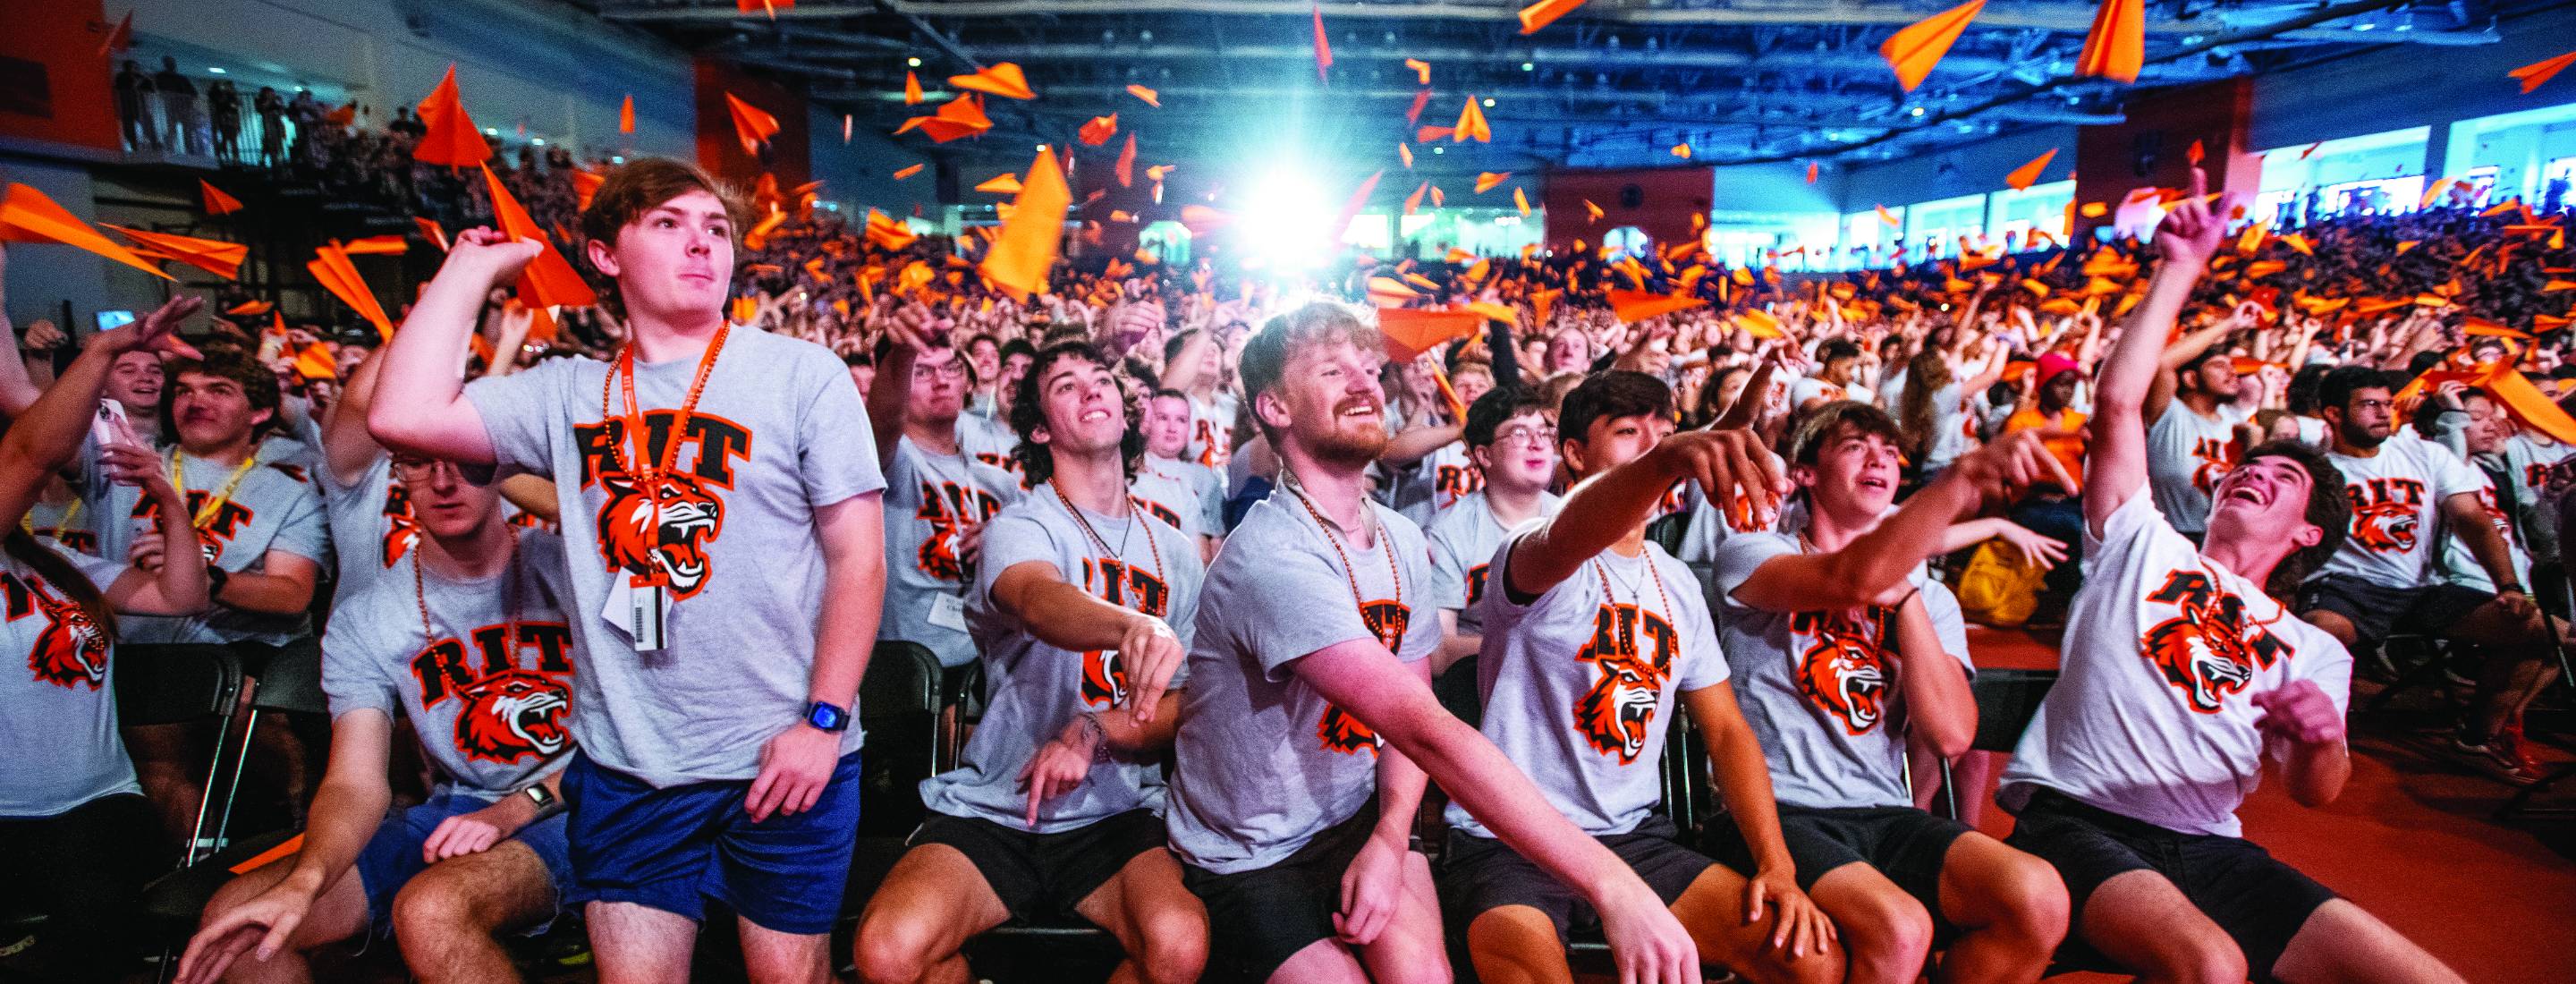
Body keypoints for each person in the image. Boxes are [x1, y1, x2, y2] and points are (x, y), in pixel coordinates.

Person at [369, 157, 891, 984]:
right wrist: (465, 271)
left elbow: (858, 555)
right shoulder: (564, 394)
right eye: (669, 225)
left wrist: (823, 724)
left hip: (783, 755)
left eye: (716, 230)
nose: (702, 245)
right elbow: (401, 415)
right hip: (628, 763)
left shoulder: (801, 374)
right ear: (606, 255)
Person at [1166, 301, 1731, 984]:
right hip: (1249, 852)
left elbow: (1410, 703)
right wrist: (1613, 885)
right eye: (1332, 370)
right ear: (1275, 408)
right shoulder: (1270, 558)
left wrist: (1388, 833)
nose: (1364, 384)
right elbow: (1427, 730)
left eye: (1368, 369)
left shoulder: (1402, 538)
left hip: (1350, 817)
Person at [2001, 169, 2465, 984]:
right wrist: (2179, 268)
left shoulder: (2312, 649)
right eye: (2249, 469)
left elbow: (2316, 792)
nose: (2255, 475)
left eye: (2283, 480)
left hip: (2211, 845)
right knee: (2210, 965)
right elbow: (2117, 404)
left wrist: (2319, 738)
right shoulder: (2139, 542)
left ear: (2310, 532)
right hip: (2074, 822)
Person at [1441, 370, 1843, 984]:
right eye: (1630, 432)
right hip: (1508, 840)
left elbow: (1728, 731)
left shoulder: (1675, 580)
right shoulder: (1533, 549)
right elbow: (1573, 530)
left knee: (1810, 961)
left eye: (1665, 431)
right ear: (1573, 453)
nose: (1654, 445)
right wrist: (1668, 460)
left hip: (1631, 836)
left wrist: (1776, 863)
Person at [853, 340, 1208, 984]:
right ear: (1041, 429)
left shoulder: (1177, 552)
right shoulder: (1021, 525)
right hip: (1002, 804)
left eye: (1102, 379)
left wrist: (1097, 728)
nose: (1093, 390)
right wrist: (1132, 623)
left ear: (1128, 414)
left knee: (1179, 945)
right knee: (886, 951)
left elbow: (1185, 704)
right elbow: (1040, 601)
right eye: (1067, 385)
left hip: (1116, 810)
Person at [179, 454, 578, 984]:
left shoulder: (576, 569)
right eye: (419, 463)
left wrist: (520, 806)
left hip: (584, 801)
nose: (443, 481)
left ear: (504, 472)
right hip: (459, 810)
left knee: (431, 910)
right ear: (398, 476)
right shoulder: (369, 617)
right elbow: (355, 781)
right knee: (237, 924)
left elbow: (635, 738)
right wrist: (309, 878)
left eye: (466, 464)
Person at [1711, 402, 2072, 984]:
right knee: (1901, 927)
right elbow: (1848, 579)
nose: (1879, 457)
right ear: (1805, 473)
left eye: (1890, 451)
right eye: (1856, 445)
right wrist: (1958, 481)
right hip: (1777, 812)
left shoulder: (1931, 602)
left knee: (2039, 896)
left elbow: (1952, 735)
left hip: (1884, 812)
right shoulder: (1753, 554)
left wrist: (1906, 602)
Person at [0, 292, 212, 983]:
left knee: (97, 928)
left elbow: (182, 594)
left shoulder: (60, 564)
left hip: (103, 803)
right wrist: (98, 354)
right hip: (9, 813)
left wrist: (168, 500)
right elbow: (35, 450)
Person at [94, 347, 329, 847]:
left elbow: (292, 595)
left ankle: (300, 839)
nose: (195, 401)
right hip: (144, 647)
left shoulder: (287, 484)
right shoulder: (125, 466)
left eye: (218, 390)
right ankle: (192, 867)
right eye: (184, 391)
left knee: (263, 721)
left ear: (260, 411)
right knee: (161, 763)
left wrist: (206, 577)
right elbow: (26, 409)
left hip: (242, 647)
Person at [2294, 364, 2556, 783]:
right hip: (2347, 586)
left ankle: (2477, 738)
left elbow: (2473, 518)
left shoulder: (2425, 454)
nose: (2383, 413)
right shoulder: (2316, 469)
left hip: (2424, 588)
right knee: (2322, 631)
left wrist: (2508, 585)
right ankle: (2312, 740)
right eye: (2369, 405)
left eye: (2387, 404)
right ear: (2334, 414)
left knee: (2545, 631)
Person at [869, 311, 1024, 670]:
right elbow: (883, 419)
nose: (941, 381)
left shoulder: (997, 482)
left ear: (968, 381)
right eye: (922, 372)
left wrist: (1006, 536)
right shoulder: (891, 459)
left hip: (988, 661)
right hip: (908, 667)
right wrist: (901, 355)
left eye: (951, 368)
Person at [1424, 386, 1561, 674]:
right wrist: (1534, 647)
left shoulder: (1573, 519)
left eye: (1544, 433)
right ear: (1484, 455)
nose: (1537, 444)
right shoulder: (1448, 532)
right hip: (1483, 687)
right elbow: (1439, 651)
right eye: (1519, 434)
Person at [2145, 330, 2257, 544]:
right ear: (2191, 378)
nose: (2232, 373)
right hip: (2169, 537)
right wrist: (2232, 323)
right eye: (2219, 366)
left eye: (2232, 366)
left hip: (2219, 542)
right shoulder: (2169, 412)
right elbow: (2163, 363)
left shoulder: (2236, 423)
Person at [1132, 388, 1226, 558]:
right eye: (1163, 418)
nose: (1172, 428)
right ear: (1147, 422)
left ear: (1189, 426)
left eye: (1181, 420)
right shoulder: (1131, 465)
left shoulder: (1205, 478)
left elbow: (1214, 545)